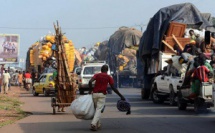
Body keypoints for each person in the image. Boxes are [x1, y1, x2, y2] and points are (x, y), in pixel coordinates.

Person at [88, 64, 125, 131]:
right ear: (107, 71)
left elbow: (90, 81)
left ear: (101, 70)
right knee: (99, 109)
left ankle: (98, 124)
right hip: (102, 95)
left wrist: (91, 90)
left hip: (95, 94)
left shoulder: (97, 75)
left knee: (96, 110)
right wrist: (121, 96)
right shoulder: (108, 77)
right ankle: (93, 124)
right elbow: (113, 88)